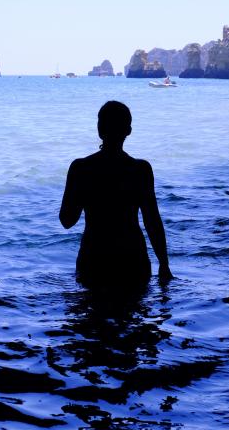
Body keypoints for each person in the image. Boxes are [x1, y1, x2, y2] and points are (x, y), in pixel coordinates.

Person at [59, 100, 172, 289]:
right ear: (128, 130)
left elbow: (67, 221)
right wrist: (164, 264)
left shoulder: (80, 168)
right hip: (133, 259)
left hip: (94, 259)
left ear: (99, 129)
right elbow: (152, 221)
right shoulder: (140, 170)